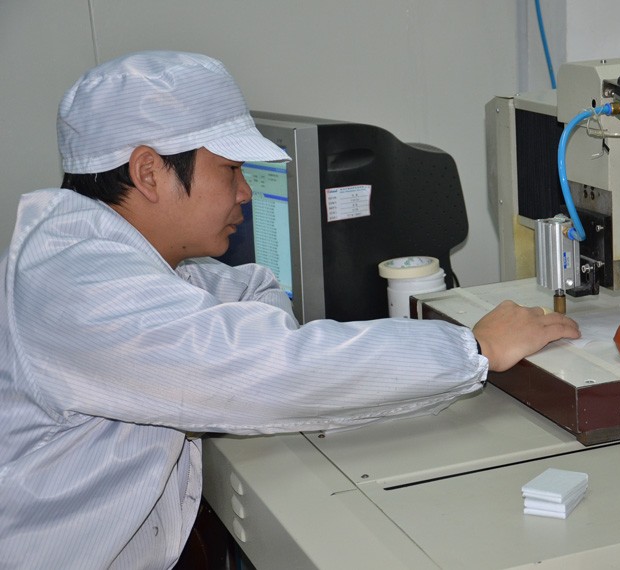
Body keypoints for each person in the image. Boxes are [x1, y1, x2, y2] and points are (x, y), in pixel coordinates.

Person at [0, 51, 580, 569]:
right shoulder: (79, 288)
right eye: (230, 170)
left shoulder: (111, 254)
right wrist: (474, 348)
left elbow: (252, 289)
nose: (245, 193)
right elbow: (261, 368)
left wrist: (270, 353)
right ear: (149, 172)